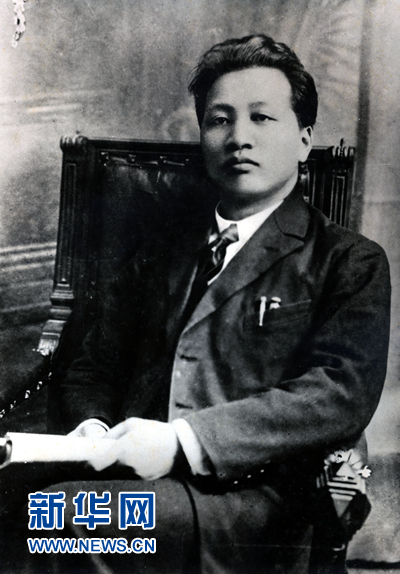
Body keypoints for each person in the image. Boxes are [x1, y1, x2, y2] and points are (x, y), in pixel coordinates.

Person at [3, 34, 391, 574]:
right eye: (219, 120)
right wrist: (92, 428)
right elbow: (95, 365)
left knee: (54, 519)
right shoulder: (160, 253)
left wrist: (183, 441)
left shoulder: (348, 260)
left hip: (253, 501)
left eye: (262, 118)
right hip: (133, 479)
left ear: (304, 141)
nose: (239, 138)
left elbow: (337, 395)